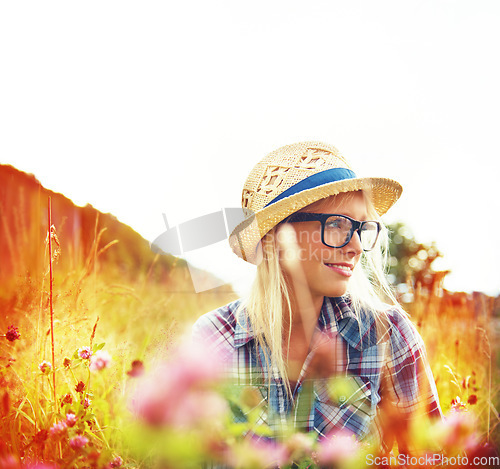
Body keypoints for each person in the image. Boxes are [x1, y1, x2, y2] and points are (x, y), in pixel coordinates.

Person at [192, 141, 442, 456]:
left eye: (360, 227)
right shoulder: (213, 341)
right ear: (276, 238)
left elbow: (432, 457)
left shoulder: (388, 335)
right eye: (336, 224)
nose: (356, 246)